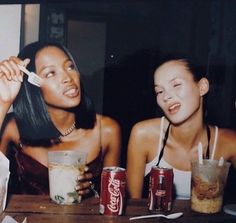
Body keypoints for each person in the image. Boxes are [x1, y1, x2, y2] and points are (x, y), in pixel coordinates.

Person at [0, 41, 121, 197]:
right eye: (51, 73)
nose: (67, 78)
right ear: (32, 84)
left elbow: (112, 202)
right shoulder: (13, 128)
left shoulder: (106, 130)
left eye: (70, 66)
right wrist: (3, 103)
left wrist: (91, 192)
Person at [126, 55, 236, 199]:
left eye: (176, 85)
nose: (166, 97)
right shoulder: (143, 134)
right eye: (159, 91)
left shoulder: (228, 142)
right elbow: (133, 207)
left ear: (202, 87)